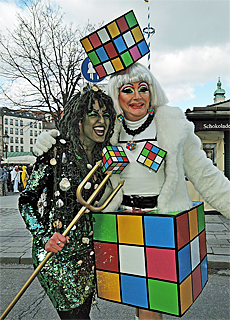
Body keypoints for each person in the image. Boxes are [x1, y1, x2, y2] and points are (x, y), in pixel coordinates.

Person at [35, 63, 230, 320]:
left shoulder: (171, 127)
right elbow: (77, 140)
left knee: (153, 300)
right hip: (122, 220)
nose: (136, 96)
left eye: (143, 89)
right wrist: (48, 139)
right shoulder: (110, 130)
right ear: (117, 95)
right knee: (136, 292)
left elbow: (206, 175)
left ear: (153, 92)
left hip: (159, 221)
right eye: (128, 89)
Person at [19, 85, 116, 320]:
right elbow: (26, 200)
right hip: (57, 255)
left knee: (82, 313)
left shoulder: (106, 156)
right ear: (79, 119)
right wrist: (44, 237)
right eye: (93, 114)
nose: (101, 120)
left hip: (89, 256)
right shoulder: (55, 152)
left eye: (105, 114)